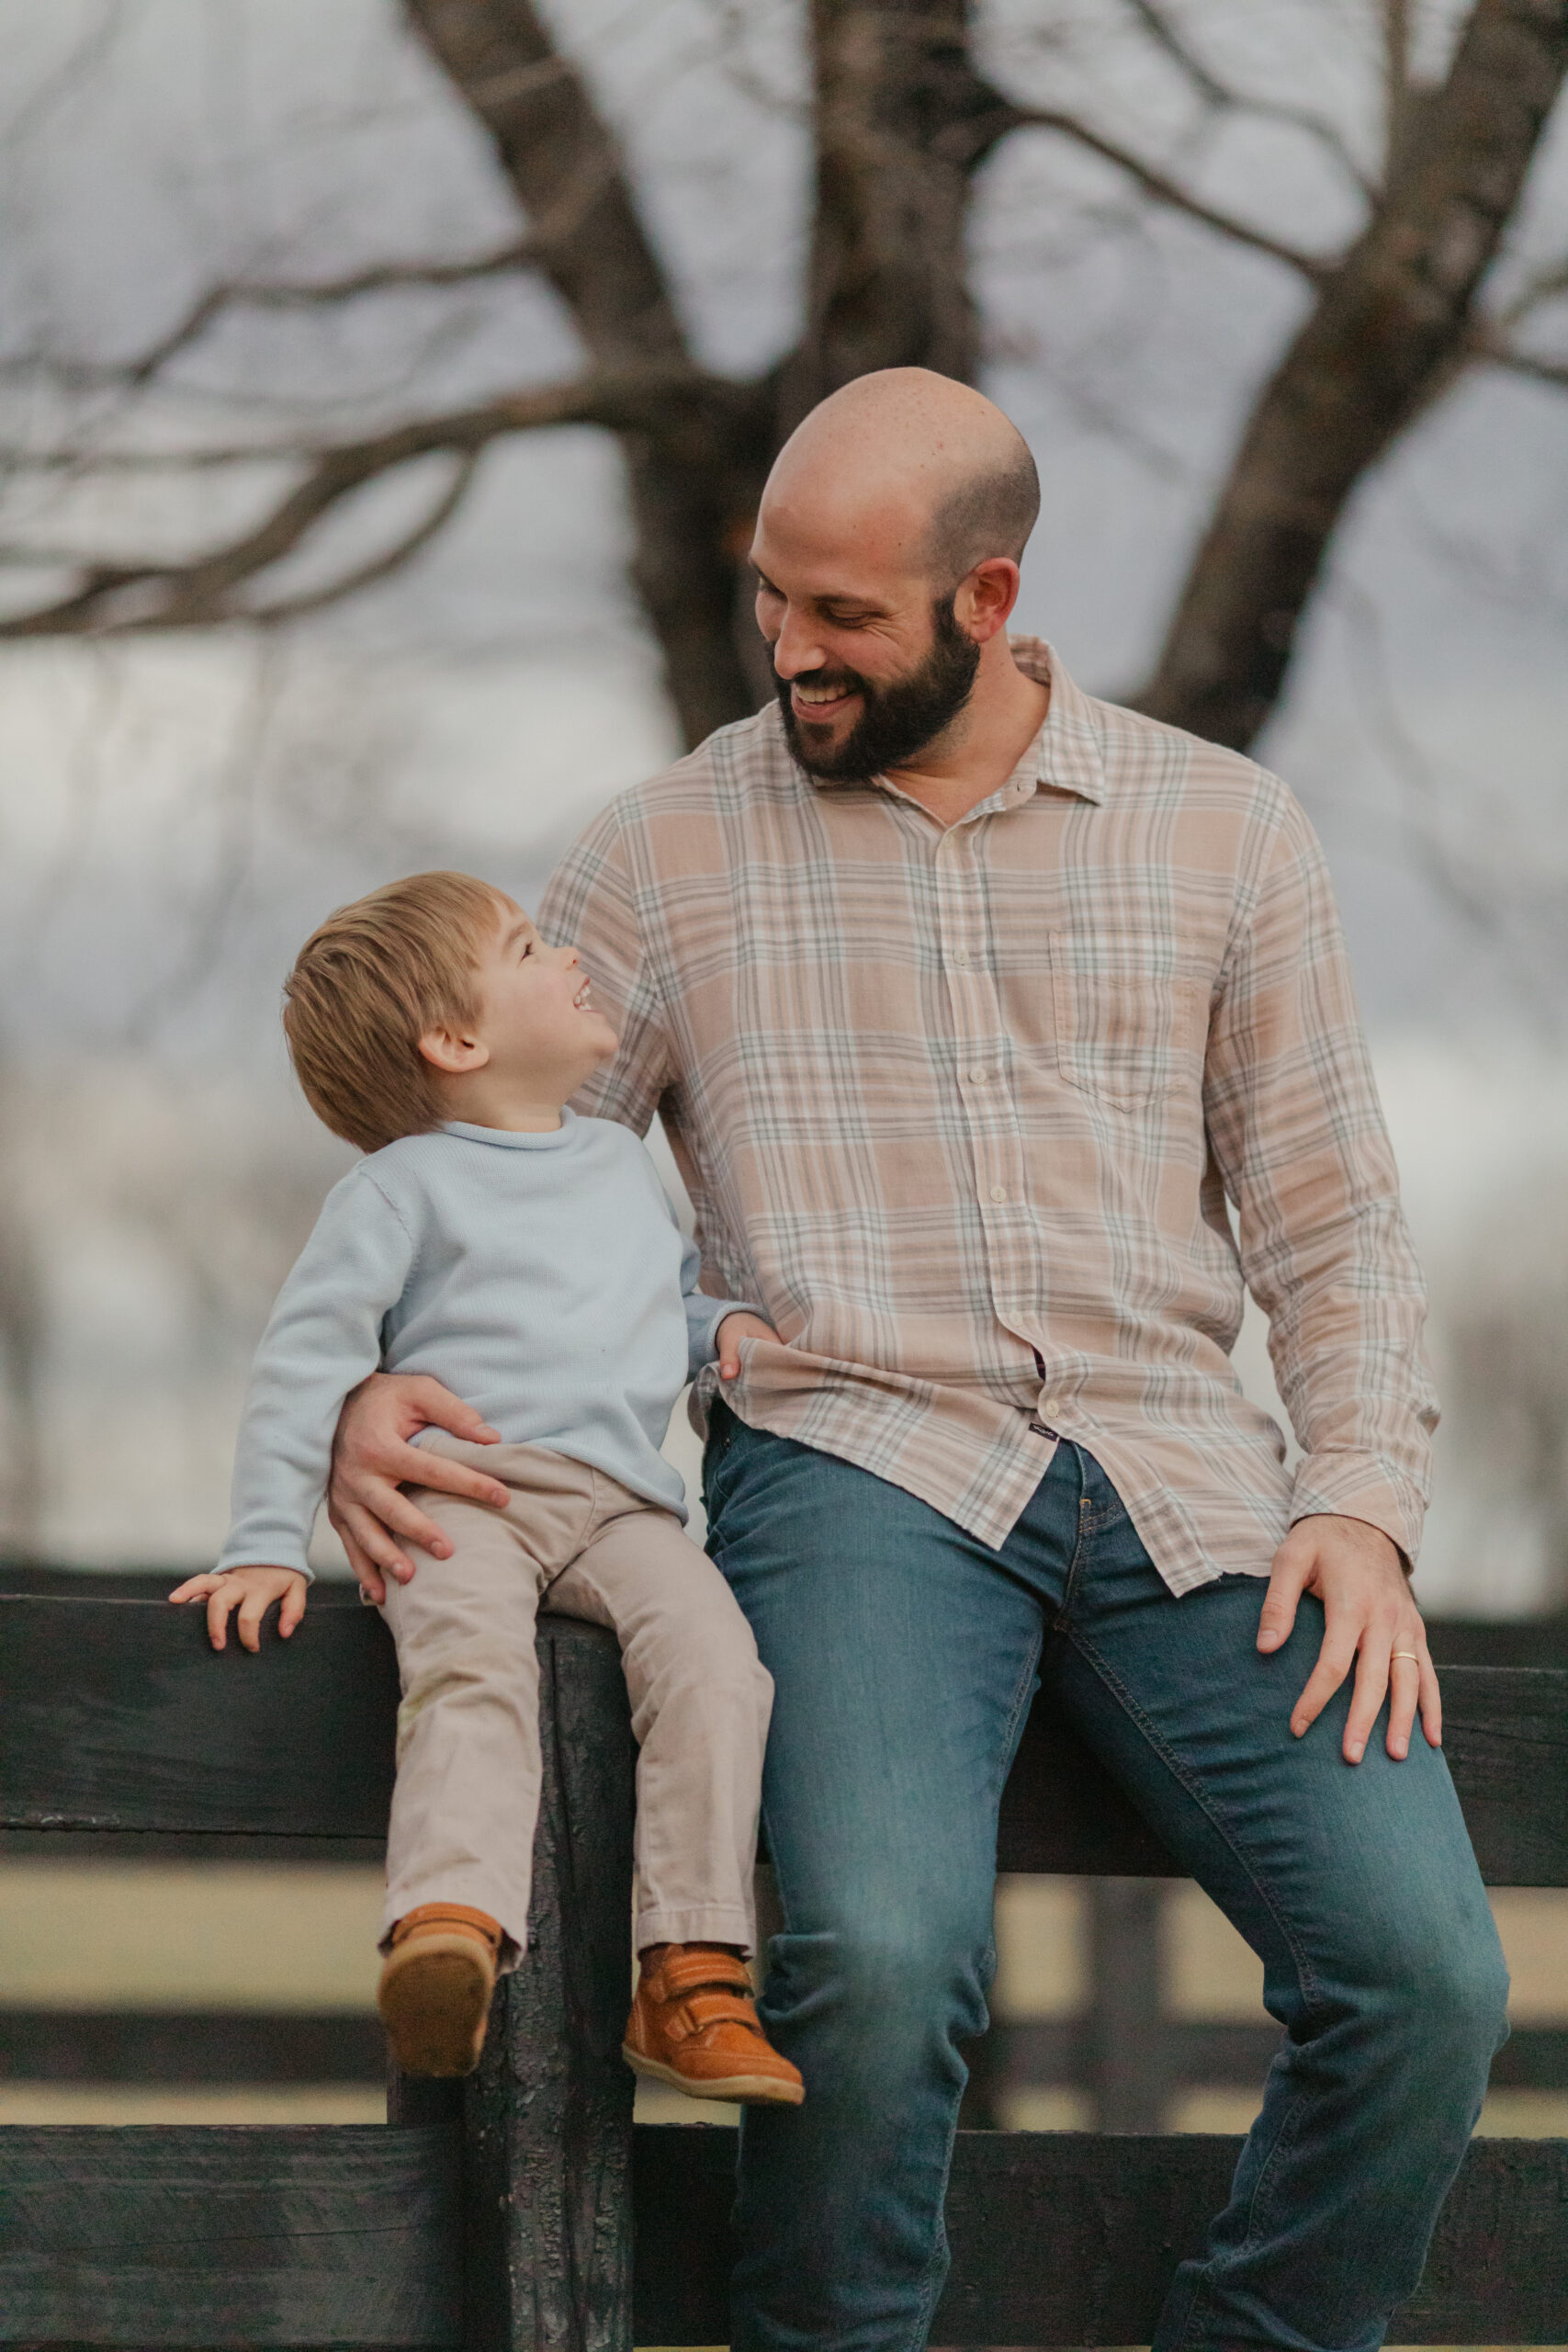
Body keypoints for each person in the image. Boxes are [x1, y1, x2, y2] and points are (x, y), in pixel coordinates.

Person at [323, 374, 1508, 2350]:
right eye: (770, 600)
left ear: (985, 593)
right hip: (849, 1465)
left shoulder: (1224, 831)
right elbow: (488, 1175)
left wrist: (1362, 1507)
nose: (791, 646)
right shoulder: (664, 852)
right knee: (873, 1957)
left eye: (843, 614)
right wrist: (382, 1370)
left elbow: (1327, 1225)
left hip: (1186, 1481)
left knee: (1424, 1975)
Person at [171, 870, 799, 2102]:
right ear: (457, 1041)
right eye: (525, 947)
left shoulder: (621, 1165)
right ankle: (446, 1925)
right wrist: (263, 1543)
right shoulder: (401, 1190)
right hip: (464, 1493)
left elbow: (653, 1303)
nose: (565, 955)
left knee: (723, 1667)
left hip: (624, 1506)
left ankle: (691, 1970)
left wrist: (719, 1327)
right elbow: (308, 1363)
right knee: (471, 1670)